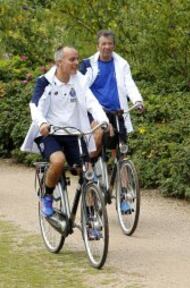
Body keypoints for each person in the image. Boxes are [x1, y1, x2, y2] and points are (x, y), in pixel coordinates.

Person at [21, 46, 109, 225]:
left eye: (77, 59)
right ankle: (46, 196)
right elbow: (35, 105)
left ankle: (91, 218)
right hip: (50, 132)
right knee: (59, 161)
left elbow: (92, 103)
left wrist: (102, 120)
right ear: (59, 62)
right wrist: (42, 123)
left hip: (74, 134)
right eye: (72, 60)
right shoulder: (45, 81)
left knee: (87, 173)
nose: (77, 63)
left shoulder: (80, 80)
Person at [79, 29, 144, 160]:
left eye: (109, 44)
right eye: (103, 44)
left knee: (121, 148)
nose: (107, 47)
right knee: (96, 140)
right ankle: (87, 166)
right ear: (97, 46)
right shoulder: (88, 64)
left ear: (114, 46)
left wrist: (137, 100)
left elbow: (129, 84)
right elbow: (80, 87)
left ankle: (123, 177)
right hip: (96, 112)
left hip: (117, 112)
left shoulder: (122, 64)